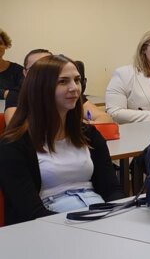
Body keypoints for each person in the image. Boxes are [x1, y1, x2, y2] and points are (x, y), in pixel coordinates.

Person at [0, 54, 124, 224]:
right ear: (41, 88)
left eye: (77, 80)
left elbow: (112, 190)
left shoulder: (88, 134)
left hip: (98, 216)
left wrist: (119, 217)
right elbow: (30, 212)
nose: (74, 88)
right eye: (63, 82)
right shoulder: (14, 144)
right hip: (50, 225)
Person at [5, 49, 111, 125]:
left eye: (49, 66)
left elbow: (104, 118)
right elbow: (15, 126)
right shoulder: (17, 94)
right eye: (36, 68)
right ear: (25, 73)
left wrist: (85, 128)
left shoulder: (68, 92)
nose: (74, 88)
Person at [0, 29, 24, 102]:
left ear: (6, 45)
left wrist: (8, 94)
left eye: (0, 43)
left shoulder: (18, 70)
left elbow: (23, 93)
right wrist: (4, 93)